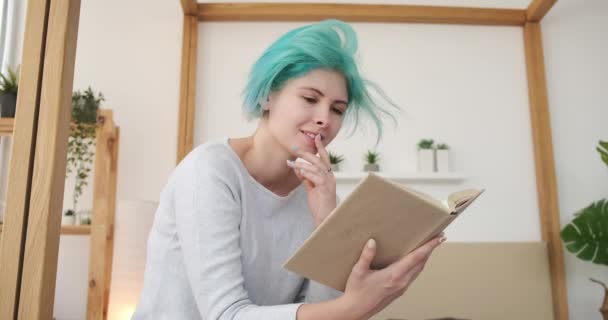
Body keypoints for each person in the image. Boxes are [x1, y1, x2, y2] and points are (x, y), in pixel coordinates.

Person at [132, 19, 445, 320]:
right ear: (269, 95)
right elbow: (226, 314)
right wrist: (355, 308)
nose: (325, 118)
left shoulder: (318, 195)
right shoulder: (209, 171)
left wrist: (328, 222)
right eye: (310, 98)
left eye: (337, 109)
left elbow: (318, 309)